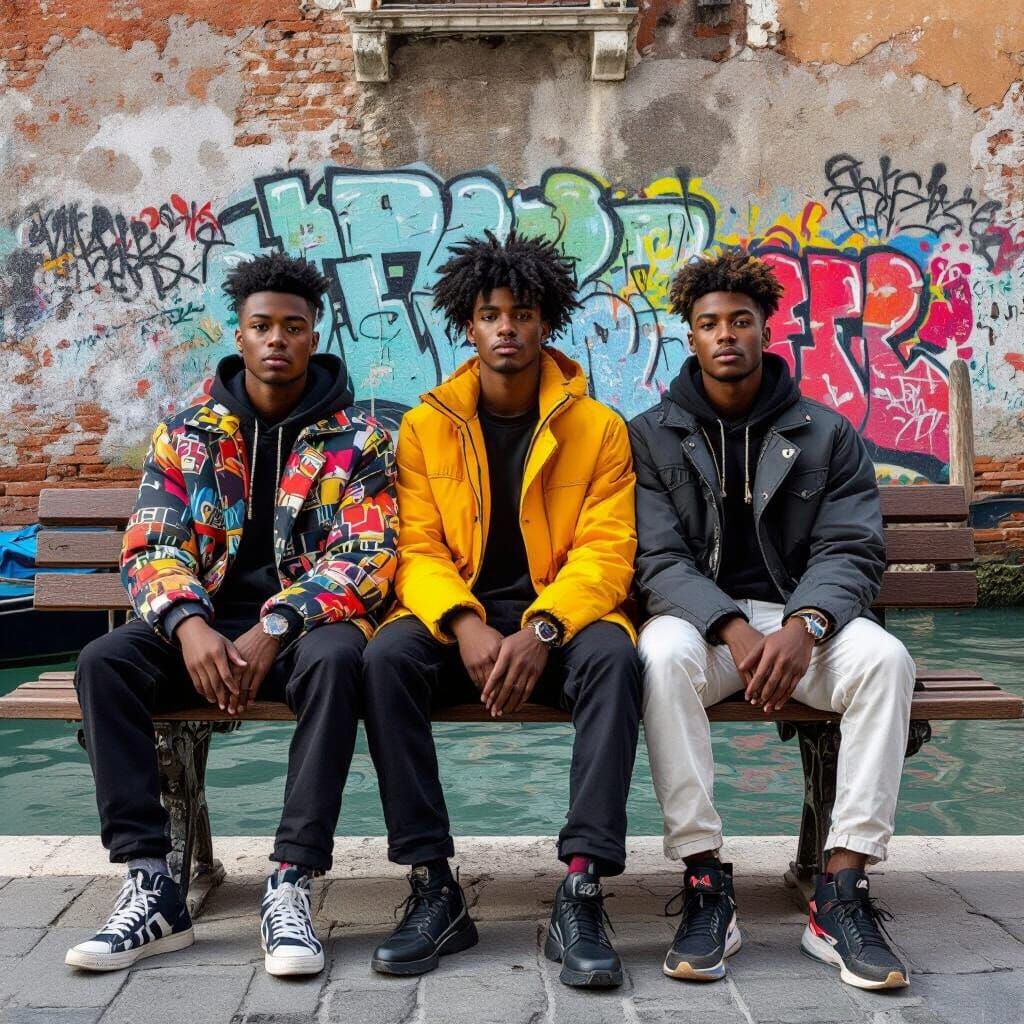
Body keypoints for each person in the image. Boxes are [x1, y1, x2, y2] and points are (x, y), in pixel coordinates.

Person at [67, 253, 398, 977]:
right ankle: (152, 883)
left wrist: (275, 625)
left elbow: (366, 557)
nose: (277, 339)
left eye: (293, 326)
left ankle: (290, 879)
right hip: (201, 628)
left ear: (315, 335)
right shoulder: (187, 435)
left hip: (305, 631)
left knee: (344, 658)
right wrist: (188, 626)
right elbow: (151, 546)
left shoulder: (359, 441)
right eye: (261, 326)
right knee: (104, 663)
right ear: (240, 336)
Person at [361, 231, 641, 989]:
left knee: (618, 659)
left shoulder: (600, 428)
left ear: (548, 321)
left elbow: (608, 553)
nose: (507, 328)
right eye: (490, 314)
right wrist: (464, 623)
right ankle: (432, 884)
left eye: (521, 313)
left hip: (562, 626)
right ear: (468, 326)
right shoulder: (424, 426)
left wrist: (543, 628)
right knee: (384, 659)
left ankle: (582, 888)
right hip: (460, 625)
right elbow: (414, 548)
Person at [629, 250, 915, 991]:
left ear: (767, 329)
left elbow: (852, 546)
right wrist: (730, 626)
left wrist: (807, 623)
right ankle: (703, 880)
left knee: (887, 662)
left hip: (802, 627)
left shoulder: (826, 432)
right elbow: (656, 560)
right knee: (656, 658)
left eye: (741, 321)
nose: (726, 335)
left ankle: (840, 889)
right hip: (703, 629)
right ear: (689, 337)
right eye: (709, 323)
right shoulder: (650, 435)